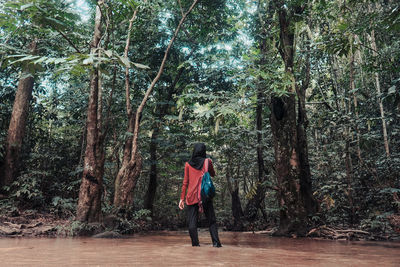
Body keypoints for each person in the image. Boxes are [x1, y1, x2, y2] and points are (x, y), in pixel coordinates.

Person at [179, 143, 222, 247]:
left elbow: (185, 183)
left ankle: (195, 245)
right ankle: (216, 244)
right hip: (204, 195)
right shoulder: (207, 161)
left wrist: (182, 199)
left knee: (192, 222)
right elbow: (213, 174)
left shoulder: (188, 164)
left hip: (191, 196)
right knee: (211, 220)